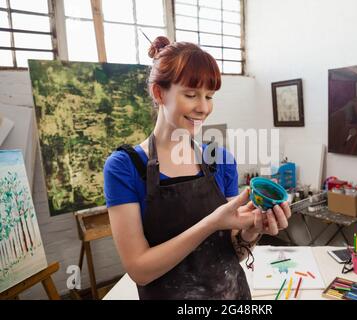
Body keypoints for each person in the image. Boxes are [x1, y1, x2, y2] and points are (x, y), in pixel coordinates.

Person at [103, 36, 292, 300]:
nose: (203, 108)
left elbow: (233, 253)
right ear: (159, 93)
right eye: (191, 95)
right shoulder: (125, 168)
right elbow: (140, 270)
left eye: (209, 96)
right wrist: (212, 223)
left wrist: (252, 230)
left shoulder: (220, 160)